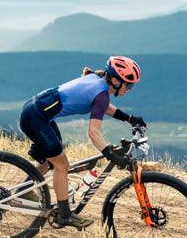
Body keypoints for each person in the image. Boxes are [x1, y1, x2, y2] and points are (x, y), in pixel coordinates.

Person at [18, 56, 146, 228]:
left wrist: (129, 118)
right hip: (37, 117)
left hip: (36, 112)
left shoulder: (98, 81)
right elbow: (93, 132)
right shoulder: (101, 93)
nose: (129, 89)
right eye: (128, 84)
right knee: (62, 165)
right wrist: (110, 154)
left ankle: (22, 191)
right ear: (115, 81)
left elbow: (103, 106)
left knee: (52, 160)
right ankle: (65, 215)